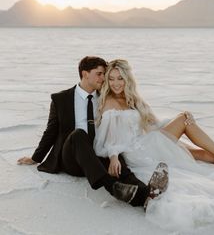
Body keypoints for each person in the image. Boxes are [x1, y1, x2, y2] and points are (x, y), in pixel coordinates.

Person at [94, 59, 214, 231]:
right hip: (136, 151)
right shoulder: (109, 102)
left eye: (120, 78)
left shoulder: (134, 100)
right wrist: (114, 156)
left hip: (150, 141)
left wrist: (177, 121)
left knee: (211, 159)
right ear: (107, 81)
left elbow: (154, 125)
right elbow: (109, 137)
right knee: (184, 121)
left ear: (128, 79)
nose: (116, 83)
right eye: (112, 79)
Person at [17, 56, 168, 208]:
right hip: (71, 158)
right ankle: (113, 187)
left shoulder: (105, 97)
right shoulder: (61, 99)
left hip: (97, 154)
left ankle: (145, 194)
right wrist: (36, 157)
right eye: (99, 74)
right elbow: (51, 131)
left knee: (118, 160)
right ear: (85, 74)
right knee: (78, 134)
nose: (103, 78)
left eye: (104, 74)